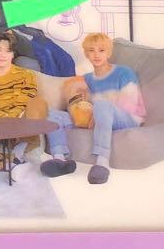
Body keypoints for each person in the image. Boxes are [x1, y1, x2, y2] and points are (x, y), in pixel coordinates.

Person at [42, 32, 146, 185]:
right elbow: (81, 104)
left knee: (102, 105)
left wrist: (97, 111)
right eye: (91, 50)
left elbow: (129, 104)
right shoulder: (87, 79)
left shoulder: (124, 72)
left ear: (109, 53)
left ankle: (102, 163)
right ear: (86, 54)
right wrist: (87, 109)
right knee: (51, 114)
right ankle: (59, 159)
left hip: (128, 117)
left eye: (101, 50)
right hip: (98, 114)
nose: (96, 55)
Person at [0, 30, 50, 173]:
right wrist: (3, 119)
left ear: (13, 54)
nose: (3, 55)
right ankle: (8, 164)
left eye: (8, 51)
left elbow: (27, 97)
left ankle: (19, 149)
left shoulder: (26, 75)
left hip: (21, 123)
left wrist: (12, 118)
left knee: (39, 104)